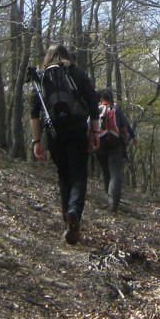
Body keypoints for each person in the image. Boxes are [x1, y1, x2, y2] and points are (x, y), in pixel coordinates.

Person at [29, 43, 100, 244]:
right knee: (78, 174)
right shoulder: (77, 72)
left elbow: (34, 113)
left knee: (63, 176)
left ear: (48, 57)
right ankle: (74, 212)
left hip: (54, 133)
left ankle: (67, 222)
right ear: (68, 55)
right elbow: (93, 103)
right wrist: (95, 131)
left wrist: (37, 141)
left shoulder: (41, 77)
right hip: (77, 129)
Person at [95, 88, 136, 213]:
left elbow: (90, 126)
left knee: (105, 172)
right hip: (115, 145)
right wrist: (127, 140)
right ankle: (113, 205)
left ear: (101, 98)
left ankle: (110, 200)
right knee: (115, 174)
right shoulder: (116, 110)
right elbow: (125, 128)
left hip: (100, 144)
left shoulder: (96, 109)